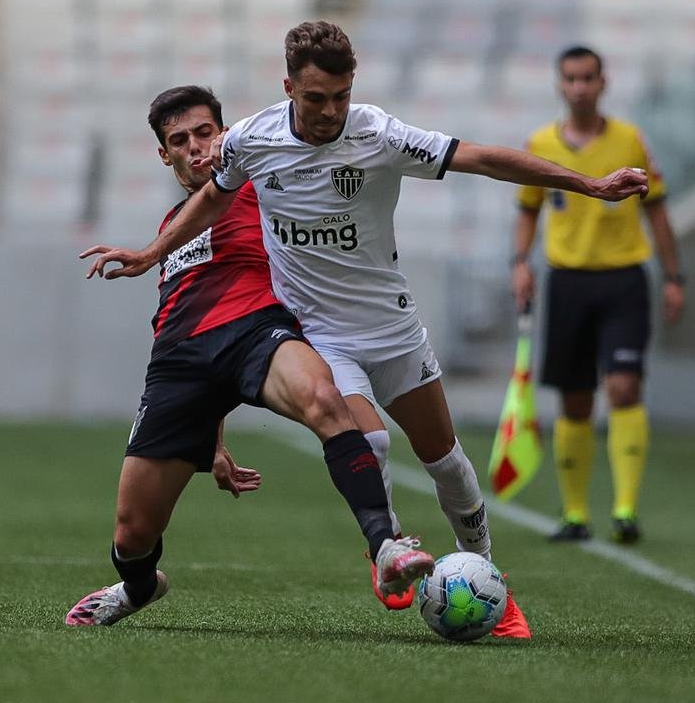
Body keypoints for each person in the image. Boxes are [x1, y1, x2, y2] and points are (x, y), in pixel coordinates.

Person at [82, 22, 648, 637]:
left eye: (341, 96)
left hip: (391, 327)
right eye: (316, 97)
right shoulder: (252, 144)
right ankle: (386, 549)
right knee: (364, 438)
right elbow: (214, 200)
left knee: (448, 464)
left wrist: (586, 185)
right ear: (289, 88)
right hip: (317, 331)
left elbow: (480, 157)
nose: (330, 111)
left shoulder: (377, 133)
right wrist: (150, 252)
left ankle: (488, 578)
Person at [65, 85, 435, 627]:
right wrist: (211, 441)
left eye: (204, 133)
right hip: (178, 364)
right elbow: (180, 316)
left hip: (259, 332)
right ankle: (140, 586)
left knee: (322, 397)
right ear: (163, 154)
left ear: (225, 134)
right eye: (178, 140)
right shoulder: (172, 227)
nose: (194, 147)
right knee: (133, 533)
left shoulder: (268, 187)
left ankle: (386, 547)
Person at [510, 46, 685, 545]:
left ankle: (626, 509)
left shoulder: (631, 139)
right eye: (570, 78)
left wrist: (674, 277)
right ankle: (576, 513)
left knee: (625, 387)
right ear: (559, 85)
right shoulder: (541, 142)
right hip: (567, 283)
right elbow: (528, 208)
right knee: (575, 400)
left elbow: (658, 211)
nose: (580, 87)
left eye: (588, 78)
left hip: (623, 280)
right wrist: (520, 263)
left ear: (603, 82)